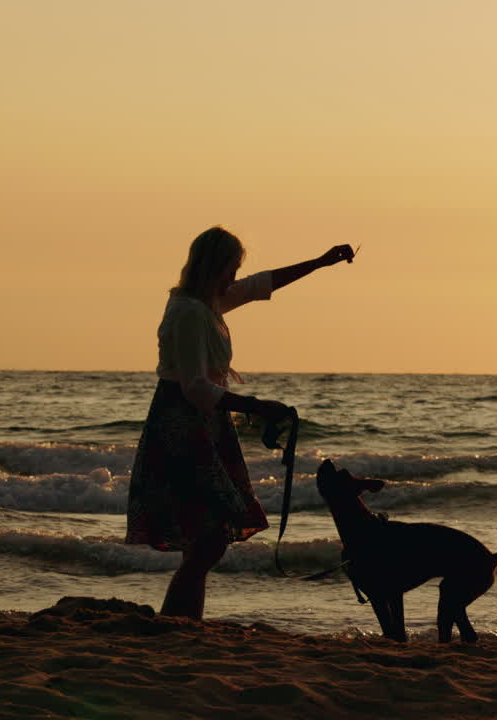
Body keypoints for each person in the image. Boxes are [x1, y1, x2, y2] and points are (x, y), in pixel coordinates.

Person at [126, 226, 355, 619]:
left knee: (203, 539)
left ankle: (183, 624)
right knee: (209, 540)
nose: (235, 276)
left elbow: (259, 285)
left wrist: (318, 263)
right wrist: (254, 405)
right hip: (183, 424)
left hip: (207, 423)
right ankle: (177, 622)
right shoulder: (189, 312)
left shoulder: (209, 302)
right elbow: (194, 387)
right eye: (231, 268)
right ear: (214, 266)